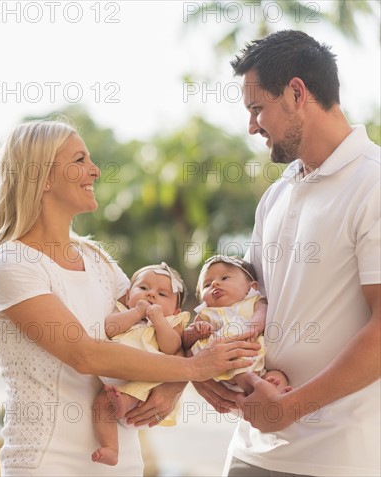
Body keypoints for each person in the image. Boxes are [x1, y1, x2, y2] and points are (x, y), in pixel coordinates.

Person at [0, 119, 261, 476]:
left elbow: (164, 322)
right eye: (79, 161)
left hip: (123, 464)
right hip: (47, 463)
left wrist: (175, 384)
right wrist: (193, 369)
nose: (95, 170)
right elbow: (85, 354)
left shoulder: (97, 261)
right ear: (42, 177)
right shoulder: (12, 264)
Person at [193, 30, 380, 477]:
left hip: (339, 458)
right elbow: (249, 303)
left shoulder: (374, 184)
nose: (252, 126)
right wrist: (200, 370)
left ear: (296, 92)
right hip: (250, 449)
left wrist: (292, 408)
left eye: (258, 109)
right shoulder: (276, 195)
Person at [91, 262, 212, 466]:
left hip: (149, 380)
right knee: (100, 405)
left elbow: (171, 348)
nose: (151, 295)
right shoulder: (122, 312)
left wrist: (159, 320)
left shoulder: (172, 322)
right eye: (143, 288)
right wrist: (136, 313)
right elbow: (109, 329)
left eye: (162, 294)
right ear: (128, 295)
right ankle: (110, 447)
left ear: (175, 309)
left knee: (121, 397)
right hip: (116, 377)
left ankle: (124, 405)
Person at [190, 255, 289, 393]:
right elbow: (187, 339)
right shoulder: (207, 313)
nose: (214, 284)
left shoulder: (254, 301)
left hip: (257, 360)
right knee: (241, 370)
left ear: (251, 287)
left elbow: (262, 312)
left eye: (225, 278)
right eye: (207, 285)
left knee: (278, 376)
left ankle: (277, 393)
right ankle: (257, 389)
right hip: (227, 369)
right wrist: (197, 330)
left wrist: (253, 326)